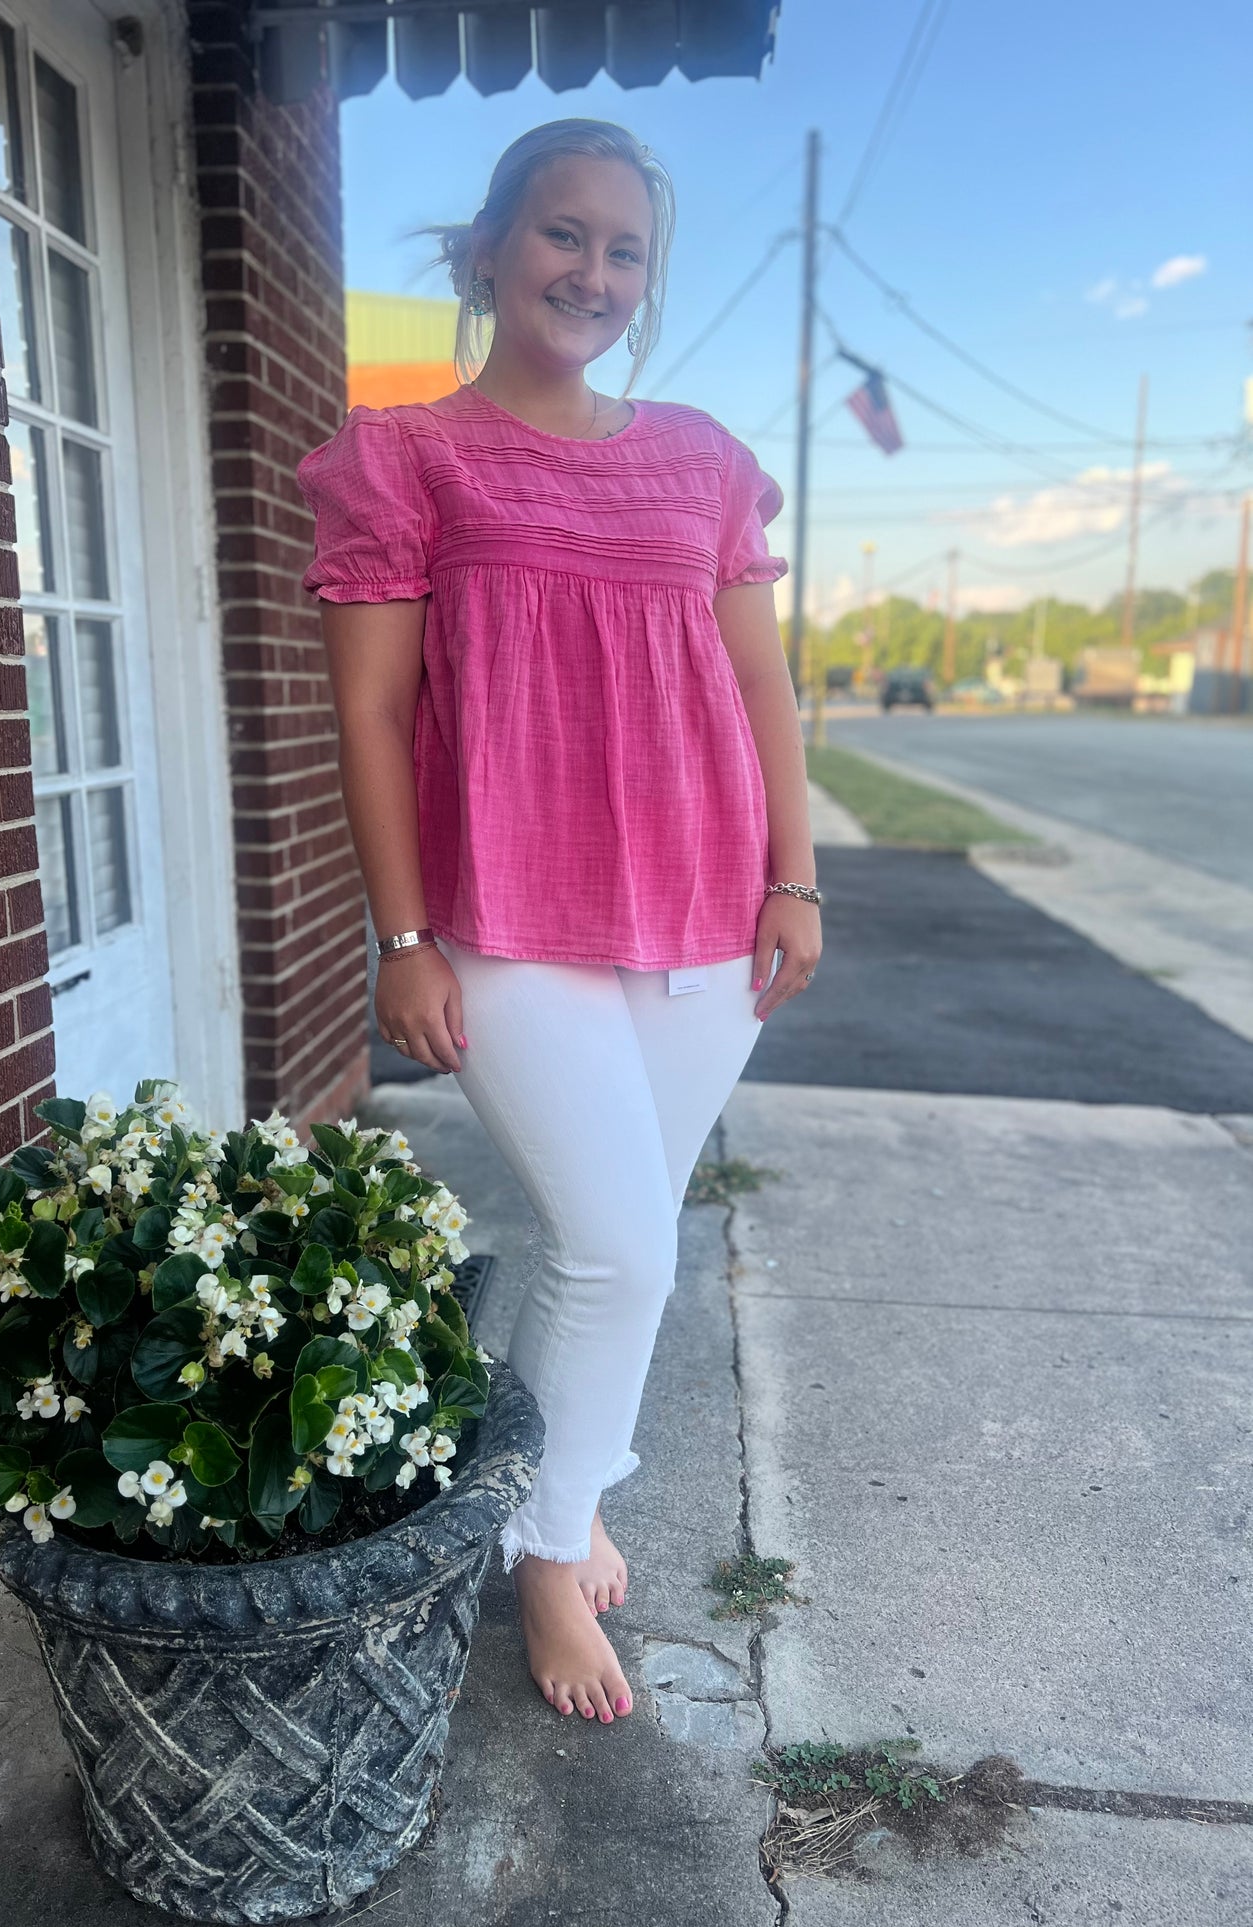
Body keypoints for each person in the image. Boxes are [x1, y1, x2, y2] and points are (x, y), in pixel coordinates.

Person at [296, 119, 821, 1728]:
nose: (590, 272)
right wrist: (401, 940)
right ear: (485, 251)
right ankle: (542, 1550)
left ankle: (568, 1484)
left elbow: (758, 684)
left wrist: (793, 877)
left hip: (704, 923)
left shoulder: (705, 461)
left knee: (612, 1251)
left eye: (623, 250)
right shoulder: (405, 460)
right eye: (560, 234)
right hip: (506, 920)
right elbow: (374, 718)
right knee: (613, 1246)